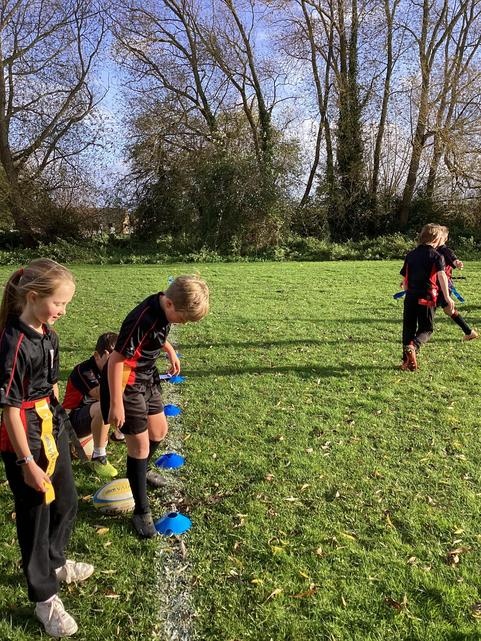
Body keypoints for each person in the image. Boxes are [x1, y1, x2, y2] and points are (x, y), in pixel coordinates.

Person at [0, 259, 93, 637]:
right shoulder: (12, 343)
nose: (63, 311)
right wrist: (27, 462)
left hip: (51, 428)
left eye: (67, 304)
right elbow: (9, 409)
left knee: (66, 501)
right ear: (33, 297)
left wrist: (65, 429)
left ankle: (56, 562)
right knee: (35, 516)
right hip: (24, 438)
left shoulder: (49, 335)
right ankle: (44, 598)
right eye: (59, 303)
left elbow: (51, 387)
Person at [101, 275, 209, 538]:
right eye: (182, 319)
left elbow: (157, 336)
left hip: (147, 377)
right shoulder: (142, 318)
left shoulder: (164, 307)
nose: (182, 323)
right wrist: (116, 403)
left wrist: (169, 350)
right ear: (169, 303)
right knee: (139, 447)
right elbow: (115, 360)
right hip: (127, 385)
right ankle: (141, 510)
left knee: (159, 431)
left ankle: (141, 471)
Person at [63, 332, 121, 479]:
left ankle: (118, 434)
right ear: (97, 355)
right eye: (110, 360)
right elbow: (101, 395)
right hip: (70, 422)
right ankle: (98, 457)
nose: (113, 365)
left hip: (89, 418)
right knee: (105, 405)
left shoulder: (115, 368)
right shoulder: (84, 370)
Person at [400, 223, 454, 371]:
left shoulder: (410, 255)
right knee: (426, 329)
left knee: (408, 328)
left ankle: (405, 361)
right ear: (436, 239)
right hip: (427, 298)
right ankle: (414, 346)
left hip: (410, 297)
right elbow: (442, 276)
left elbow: (405, 279)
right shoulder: (437, 256)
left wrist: (408, 290)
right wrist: (447, 297)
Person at [436, 226, 478, 341]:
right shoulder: (431, 249)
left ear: (444, 238)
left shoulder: (444, 250)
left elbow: (453, 259)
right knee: (448, 310)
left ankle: (420, 334)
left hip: (442, 286)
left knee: (438, 308)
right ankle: (469, 332)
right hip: (434, 284)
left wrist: (457, 263)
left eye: (438, 236)